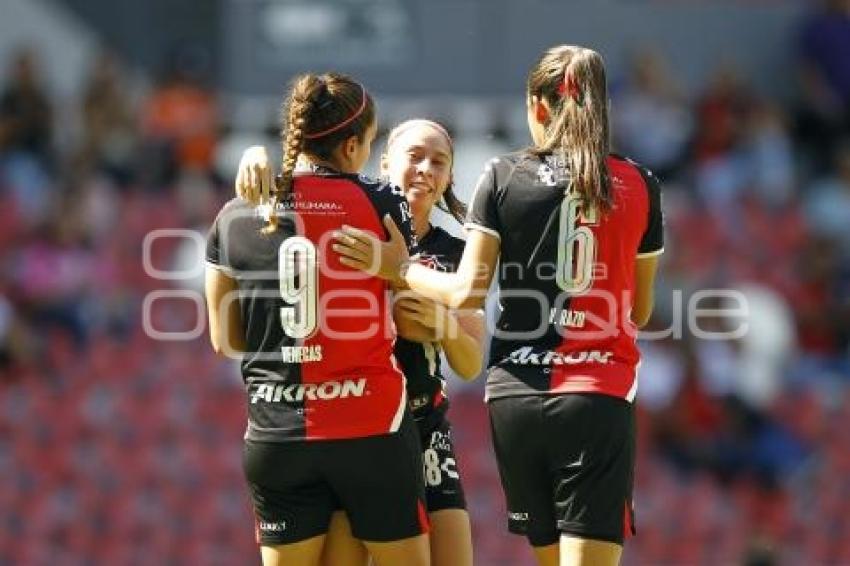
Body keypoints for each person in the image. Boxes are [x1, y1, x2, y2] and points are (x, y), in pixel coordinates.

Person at [333, 45, 664, 566]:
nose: (427, 170)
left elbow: (468, 292)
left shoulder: (503, 176)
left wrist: (400, 273)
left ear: (535, 106)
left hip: (516, 397)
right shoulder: (638, 183)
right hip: (595, 393)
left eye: (439, 160)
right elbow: (640, 311)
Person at [234, 118, 483, 566]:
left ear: (449, 177)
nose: (425, 169)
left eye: (439, 162)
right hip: (356, 429)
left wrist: (443, 325)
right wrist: (257, 156)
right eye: (414, 157)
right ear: (382, 163)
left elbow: (469, 364)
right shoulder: (341, 228)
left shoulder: (454, 252)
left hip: (423, 425)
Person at [205, 72, 430, 566]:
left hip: (276, 433)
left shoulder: (232, 216)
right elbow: (416, 308)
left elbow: (226, 340)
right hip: (370, 427)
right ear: (351, 145)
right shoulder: (382, 202)